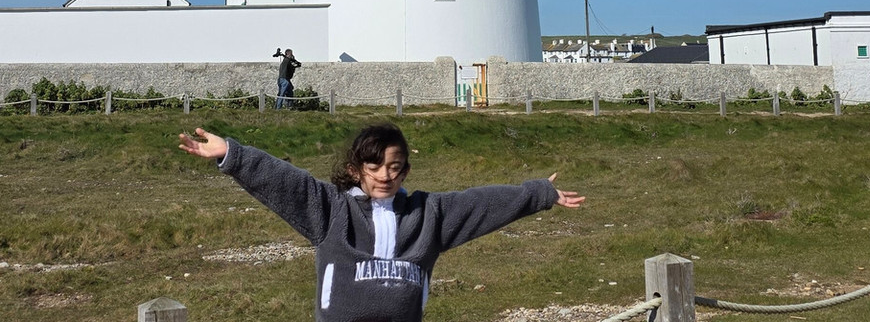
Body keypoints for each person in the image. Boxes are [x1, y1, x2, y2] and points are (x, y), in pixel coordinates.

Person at [177, 123, 585, 322]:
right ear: (356, 170)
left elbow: (479, 203)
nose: (385, 175)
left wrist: (539, 194)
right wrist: (231, 153)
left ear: (405, 170)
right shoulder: (331, 210)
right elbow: (288, 183)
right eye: (375, 166)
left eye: (395, 167)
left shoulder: (428, 214)